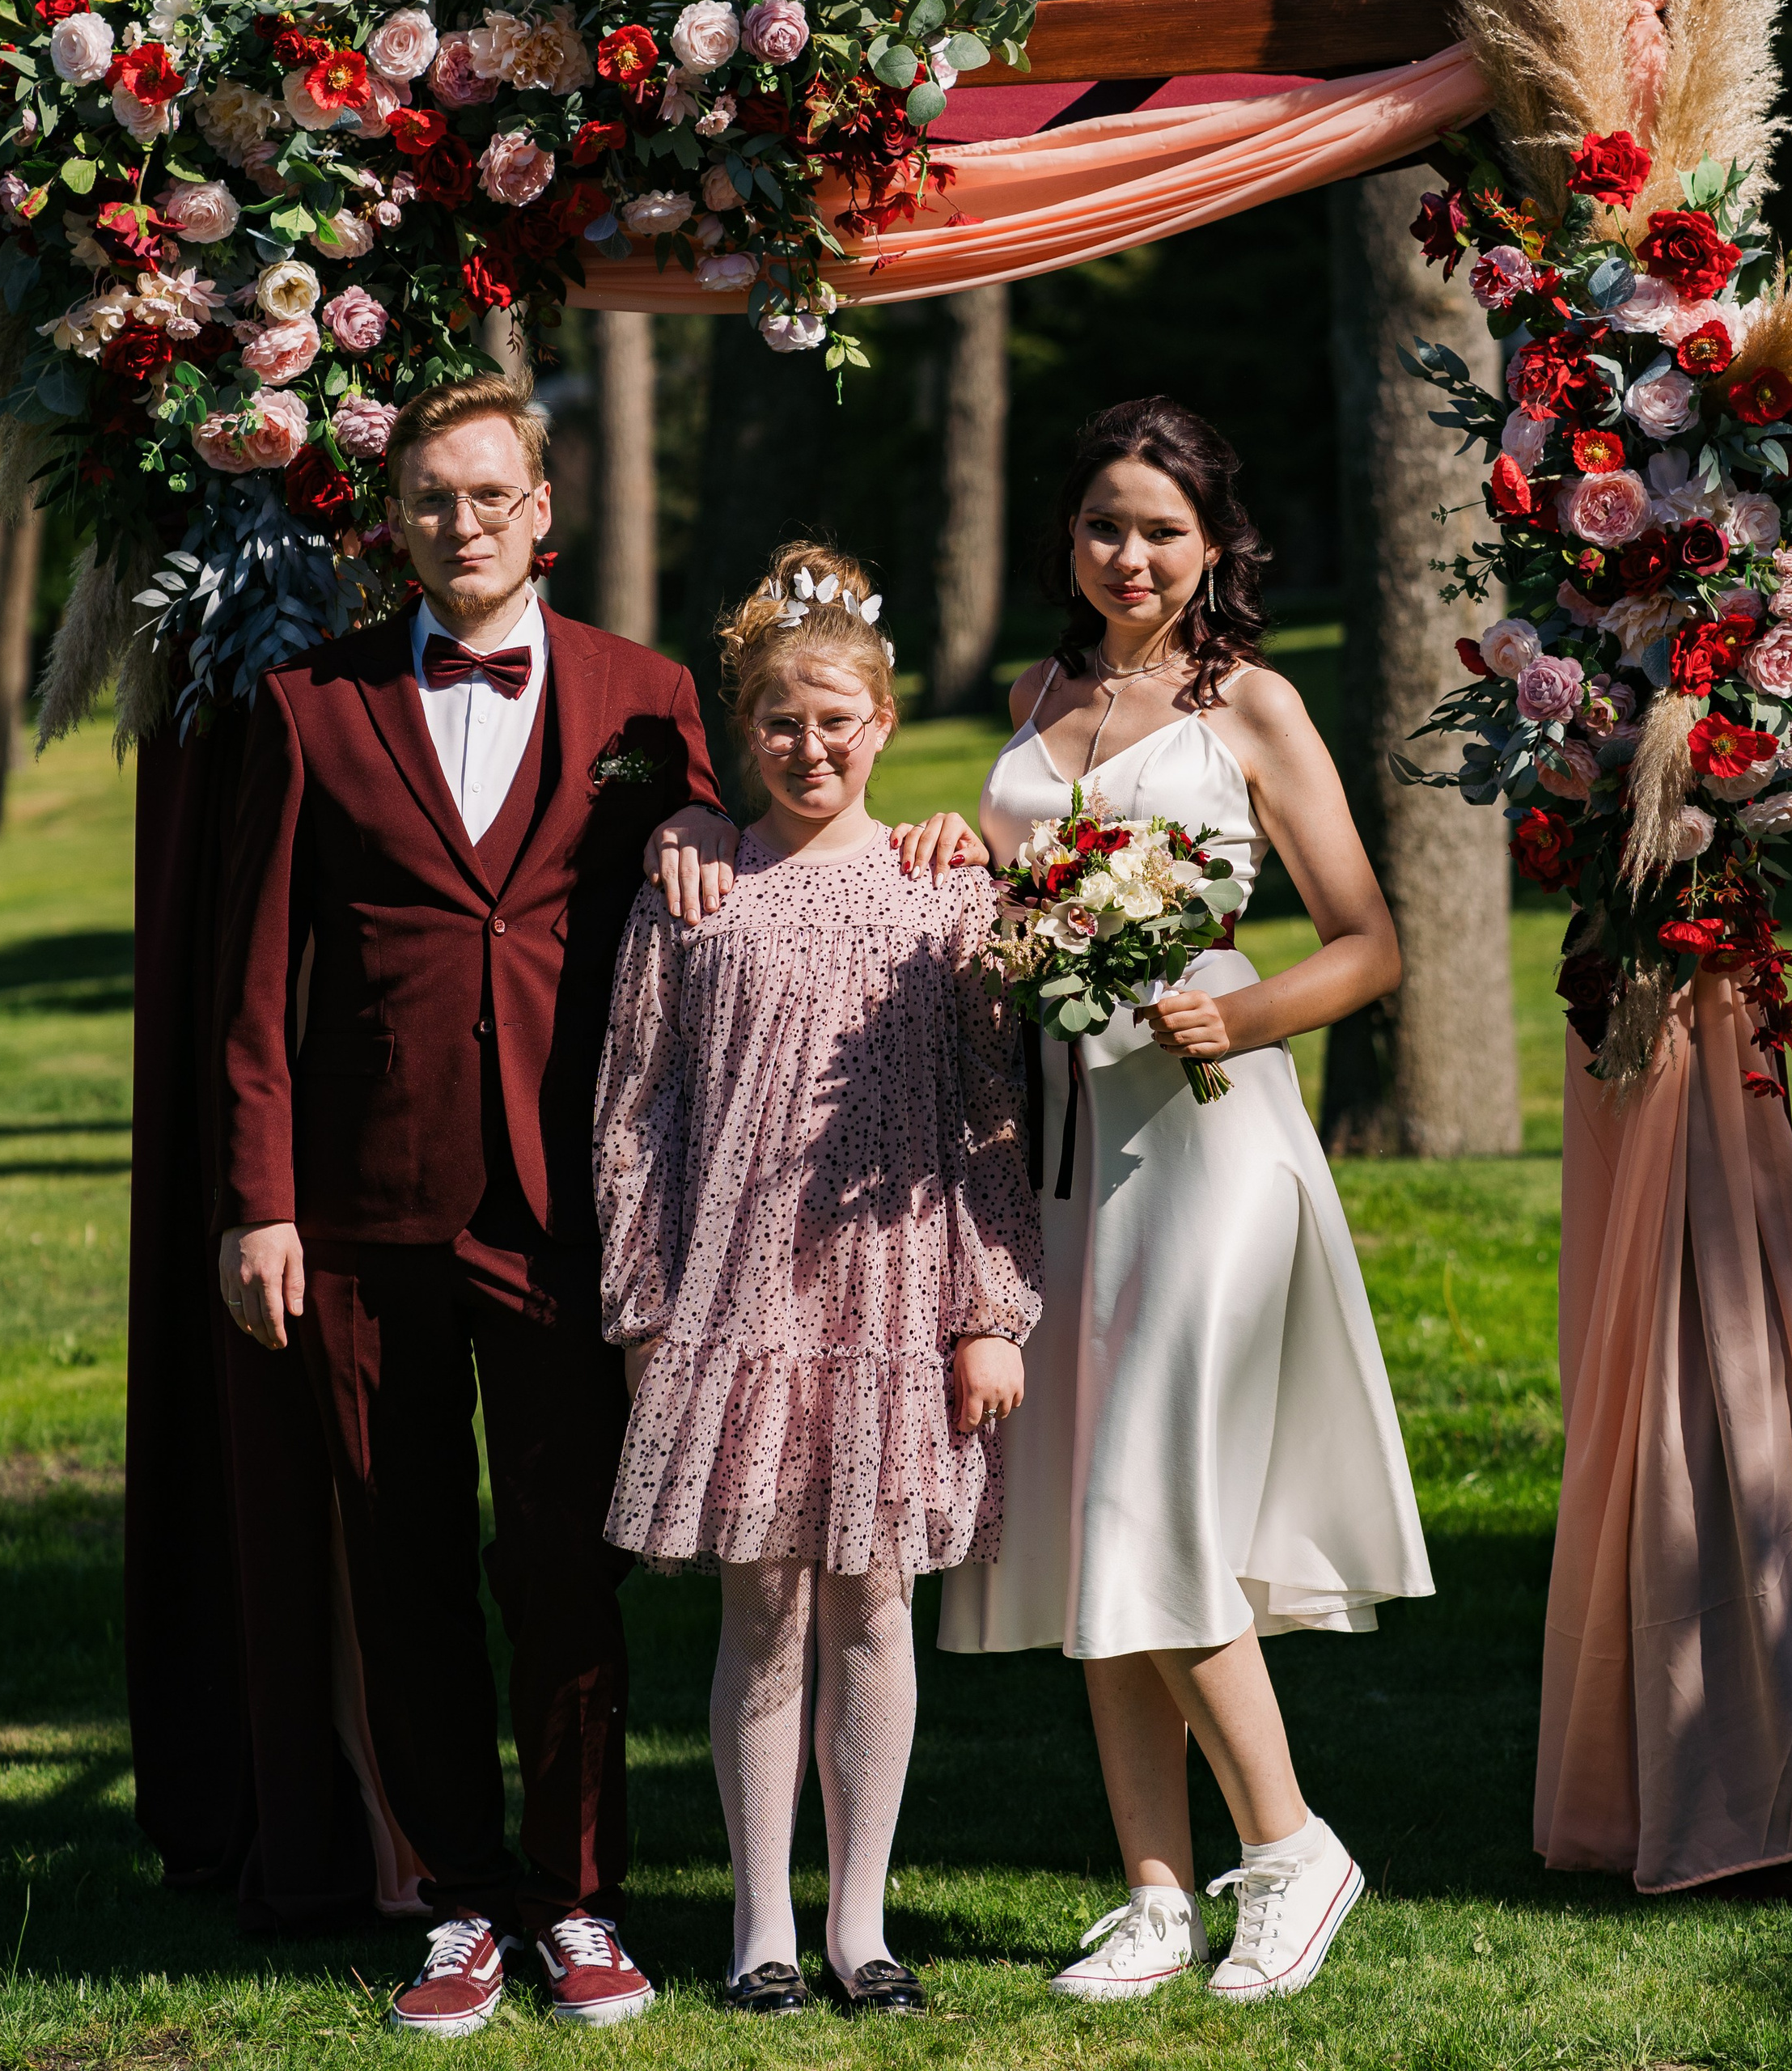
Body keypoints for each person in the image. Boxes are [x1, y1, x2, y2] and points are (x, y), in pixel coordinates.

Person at [210, 366, 740, 2036]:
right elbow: (251, 984)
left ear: (544, 513)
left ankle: (580, 1896)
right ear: (396, 519)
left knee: (570, 1569)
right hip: (366, 1213)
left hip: (571, 1204)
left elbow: (733, 863)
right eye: (431, 498)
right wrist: (258, 1202)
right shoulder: (311, 704)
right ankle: (453, 1901)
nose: (461, 522)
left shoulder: (646, 700)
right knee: (404, 1556)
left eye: (489, 494)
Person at [938, 396, 1434, 2003]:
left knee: (1146, 1487)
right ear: (1064, 542)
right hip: (1063, 1146)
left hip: (1210, 1139)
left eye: (1158, 527)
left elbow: (1368, 941)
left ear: (1212, 542)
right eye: (1100, 524)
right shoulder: (1034, 696)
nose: (1127, 554)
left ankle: (1289, 1850)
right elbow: (1014, 907)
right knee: (1085, 1490)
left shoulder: (1253, 711)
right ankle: (1152, 1892)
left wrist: (1243, 1008)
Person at [591, 543, 1043, 2016]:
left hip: (894, 1297)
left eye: (838, 719)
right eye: (782, 722)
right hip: (736, 1296)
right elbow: (636, 1104)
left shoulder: (938, 891)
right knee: (762, 1609)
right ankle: (758, 1924)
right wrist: (644, 1299)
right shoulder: (696, 894)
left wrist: (990, 1306)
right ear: (743, 728)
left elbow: (991, 1108)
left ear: (886, 723)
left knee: (874, 1604)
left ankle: (863, 1924)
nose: (811, 747)